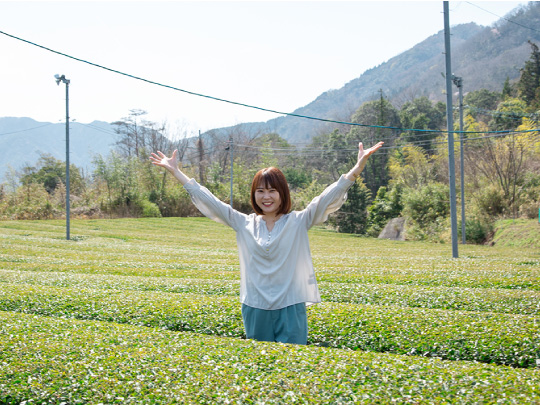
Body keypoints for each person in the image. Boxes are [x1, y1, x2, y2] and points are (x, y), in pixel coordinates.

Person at [150, 141, 384, 345]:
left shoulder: (299, 221)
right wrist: (177, 173)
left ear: (282, 193)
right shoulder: (243, 223)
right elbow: (209, 200)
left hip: (290, 306)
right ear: (254, 195)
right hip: (254, 307)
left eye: (272, 190)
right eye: (260, 191)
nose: (266, 196)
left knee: (292, 366)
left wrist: (356, 169)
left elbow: (327, 197)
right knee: (261, 367)